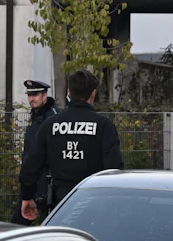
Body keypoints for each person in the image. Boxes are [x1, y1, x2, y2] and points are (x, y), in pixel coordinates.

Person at [18, 70, 123, 221]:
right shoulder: (103, 125)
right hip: (95, 200)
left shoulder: (50, 124)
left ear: (69, 92)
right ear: (93, 93)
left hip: (61, 202)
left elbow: (30, 165)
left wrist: (27, 197)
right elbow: (113, 168)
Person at [10, 79, 62, 225]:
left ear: (45, 95)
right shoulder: (36, 116)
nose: (32, 99)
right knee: (18, 223)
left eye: (36, 95)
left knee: (49, 225)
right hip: (32, 178)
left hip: (48, 180)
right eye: (29, 95)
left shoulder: (54, 116)